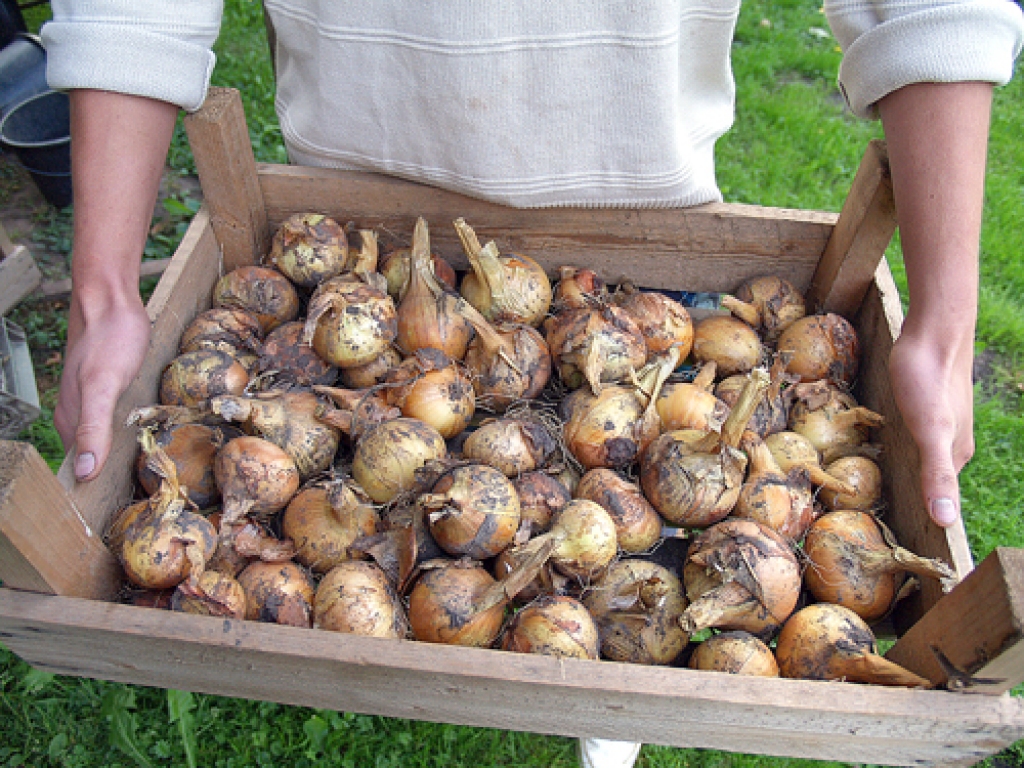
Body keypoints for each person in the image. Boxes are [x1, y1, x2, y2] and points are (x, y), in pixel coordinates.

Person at [39, 2, 1024, 767]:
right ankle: (497, 678)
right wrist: (102, 285)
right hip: (355, 183)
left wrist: (940, 319)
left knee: (620, 612)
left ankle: (612, 710)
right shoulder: (393, 364)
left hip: (646, 201)